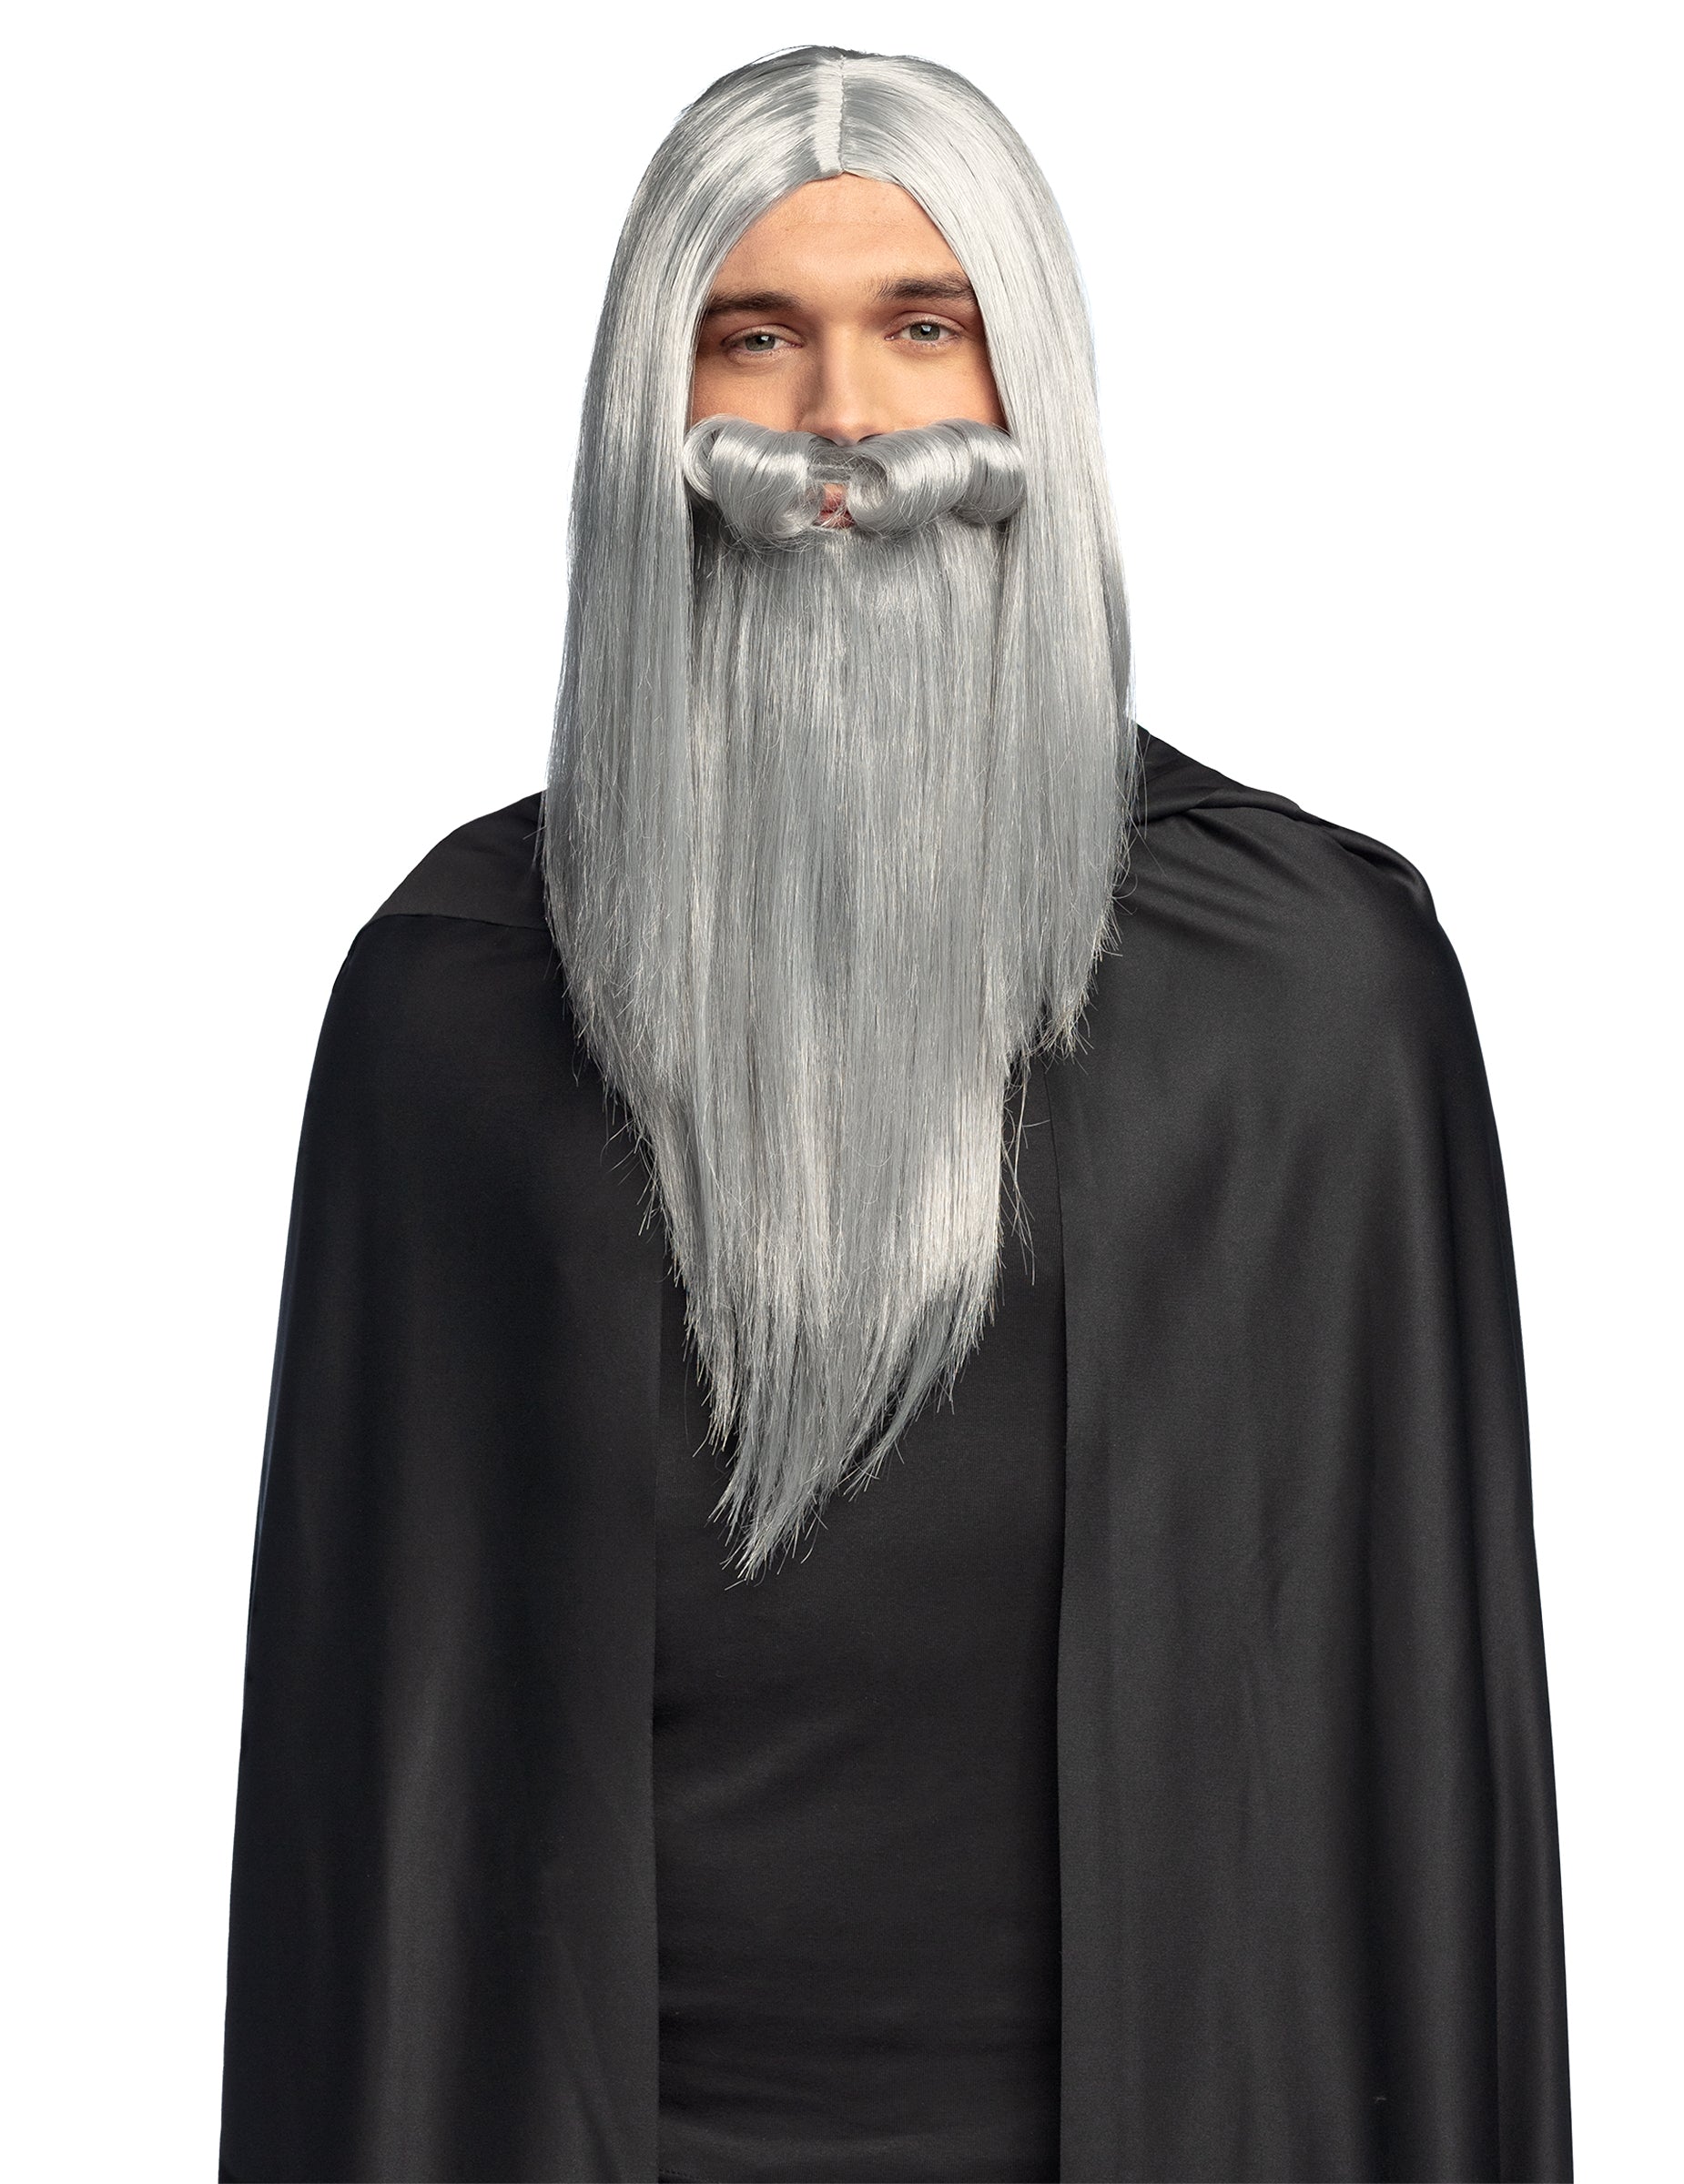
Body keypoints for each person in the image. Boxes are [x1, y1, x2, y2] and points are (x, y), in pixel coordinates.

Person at [218, 46, 1572, 2184]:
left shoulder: (1309, 993)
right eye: (756, 336)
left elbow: (1411, 1777)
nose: (841, 423)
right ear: (653, 422)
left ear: (1030, 389)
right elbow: (368, 1822)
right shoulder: (456, 1008)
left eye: (922, 328)